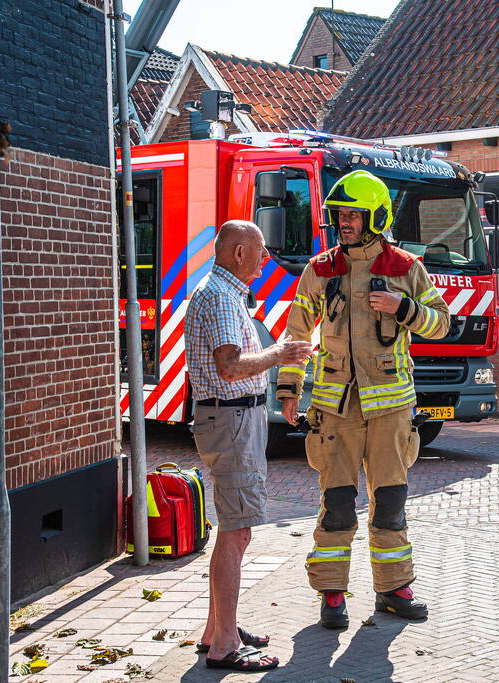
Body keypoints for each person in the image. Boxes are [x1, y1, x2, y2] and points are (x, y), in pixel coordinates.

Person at [277, 170, 451, 630]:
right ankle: (332, 595)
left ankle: (393, 590)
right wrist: (289, 390)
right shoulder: (319, 270)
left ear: (375, 216)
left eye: (353, 214)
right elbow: (297, 335)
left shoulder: (405, 267)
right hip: (335, 409)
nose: (345, 222)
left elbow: (442, 324)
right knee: (335, 501)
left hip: (391, 408)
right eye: (340, 214)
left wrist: (404, 309)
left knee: (390, 500)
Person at [185, 220, 313, 672]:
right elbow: (231, 367)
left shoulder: (220, 291)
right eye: (259, 253)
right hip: (233, 419)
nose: (264, 262)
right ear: (239, 252)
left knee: (234, 528)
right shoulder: (221, 296)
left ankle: (216, 628)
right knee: (237, 530)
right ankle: (223, 646)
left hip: (233, 419)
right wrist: (280, 354)